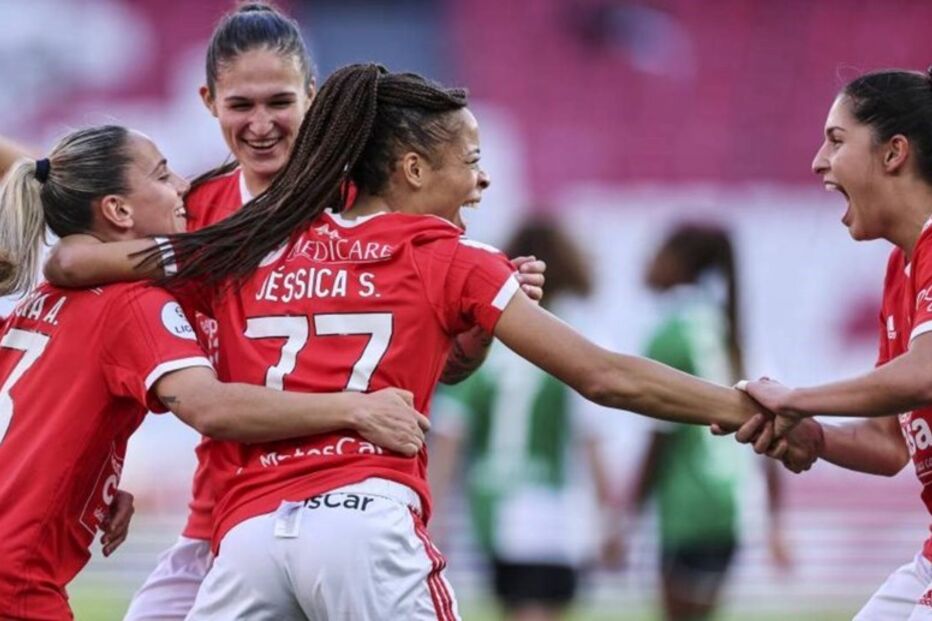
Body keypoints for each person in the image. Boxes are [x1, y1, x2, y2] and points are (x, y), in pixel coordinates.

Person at [120, 63, 778, 620]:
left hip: (249, 538)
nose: (482, 180)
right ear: (411, 167)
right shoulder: (451, 257)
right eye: (470, 160)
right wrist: (744, 408)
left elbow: (101, 269)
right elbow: (604, 375)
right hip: (364, 519)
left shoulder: (258, 245)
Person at [39, 5, 544, 619]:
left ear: (313, 93)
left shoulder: (370, 205)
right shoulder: (195, 211)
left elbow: (445, 366)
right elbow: (82, 277)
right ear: (208, 100)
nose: (260, 124)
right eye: (240, 105)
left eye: (279, 102)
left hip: (347, 501)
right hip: (225, 512)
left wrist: (482, 326)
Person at [0, 125, 428, 620]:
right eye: (162, 175)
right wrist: (356, 408)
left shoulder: (40, 301)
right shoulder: (133, 305)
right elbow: (211, 408)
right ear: (118, 211)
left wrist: (94, 483)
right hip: (16, 587)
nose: (182, 185)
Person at [724, 68, 932, 620]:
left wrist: (797, 400)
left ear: (893, 153)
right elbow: (890, 447)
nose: (819, 160)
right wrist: (811, 435)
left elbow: (925, 373)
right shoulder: (900, 268)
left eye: (836, 141)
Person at [429, 219, 619, 621]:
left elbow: (449, 435)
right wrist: (612, 515)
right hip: (553, 508)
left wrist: (434, 514)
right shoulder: (578, 339)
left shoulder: (483, 339)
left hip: (492, 504)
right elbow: (592, 437)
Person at [630, 224, 790, 621]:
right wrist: (774, 519)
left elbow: (659, 437)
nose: (648, 264)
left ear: (680, 263)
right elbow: (774, 423)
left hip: (689, 502)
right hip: (731, 502)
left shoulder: (670, 332)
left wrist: (627, 516)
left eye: (658, 252)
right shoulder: (731, 329)